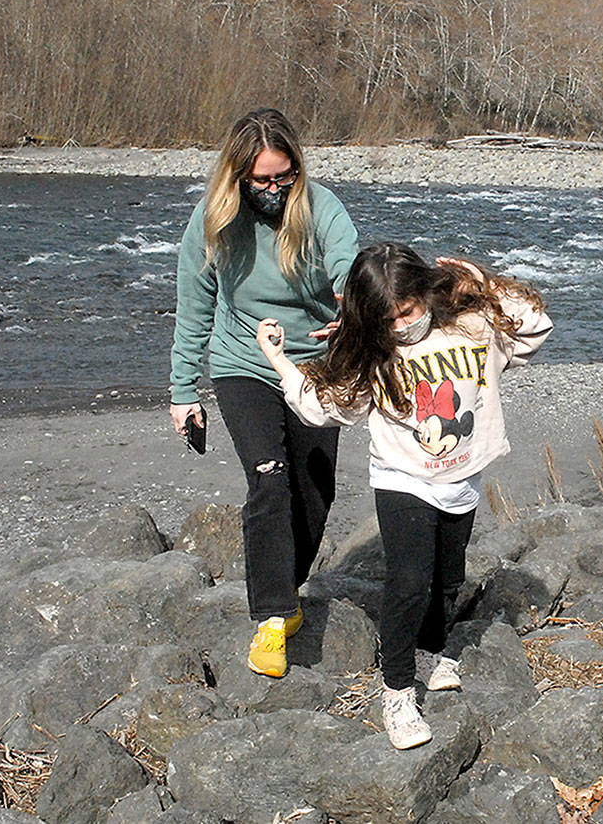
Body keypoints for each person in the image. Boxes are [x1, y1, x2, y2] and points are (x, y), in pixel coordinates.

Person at [254, 242, 551, 749]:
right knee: (410, 582)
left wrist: (485, 283)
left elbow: (534, 328)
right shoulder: (374, 350)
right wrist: (278, 361)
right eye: (386, 319)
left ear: (424, 294)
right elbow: (325, 406)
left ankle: (433, 651)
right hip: (402, 477)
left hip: (462, 477)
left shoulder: (473, 326)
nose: (400, 326)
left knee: (448, 577)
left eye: (407, 312)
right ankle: (396, 692)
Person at [169, 108, 358, 679]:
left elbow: (352, 269)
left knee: (314, 492)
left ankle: (289, 589)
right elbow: (194, 310)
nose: (275, 190)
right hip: (244, 362)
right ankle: (272, 618)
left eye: (284, 176)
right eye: (262, 180)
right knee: (269, 478)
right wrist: (183, 391)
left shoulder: (321, 207)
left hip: (317, 366)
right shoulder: (213, 222)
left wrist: (354, 315)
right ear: (238, 176)